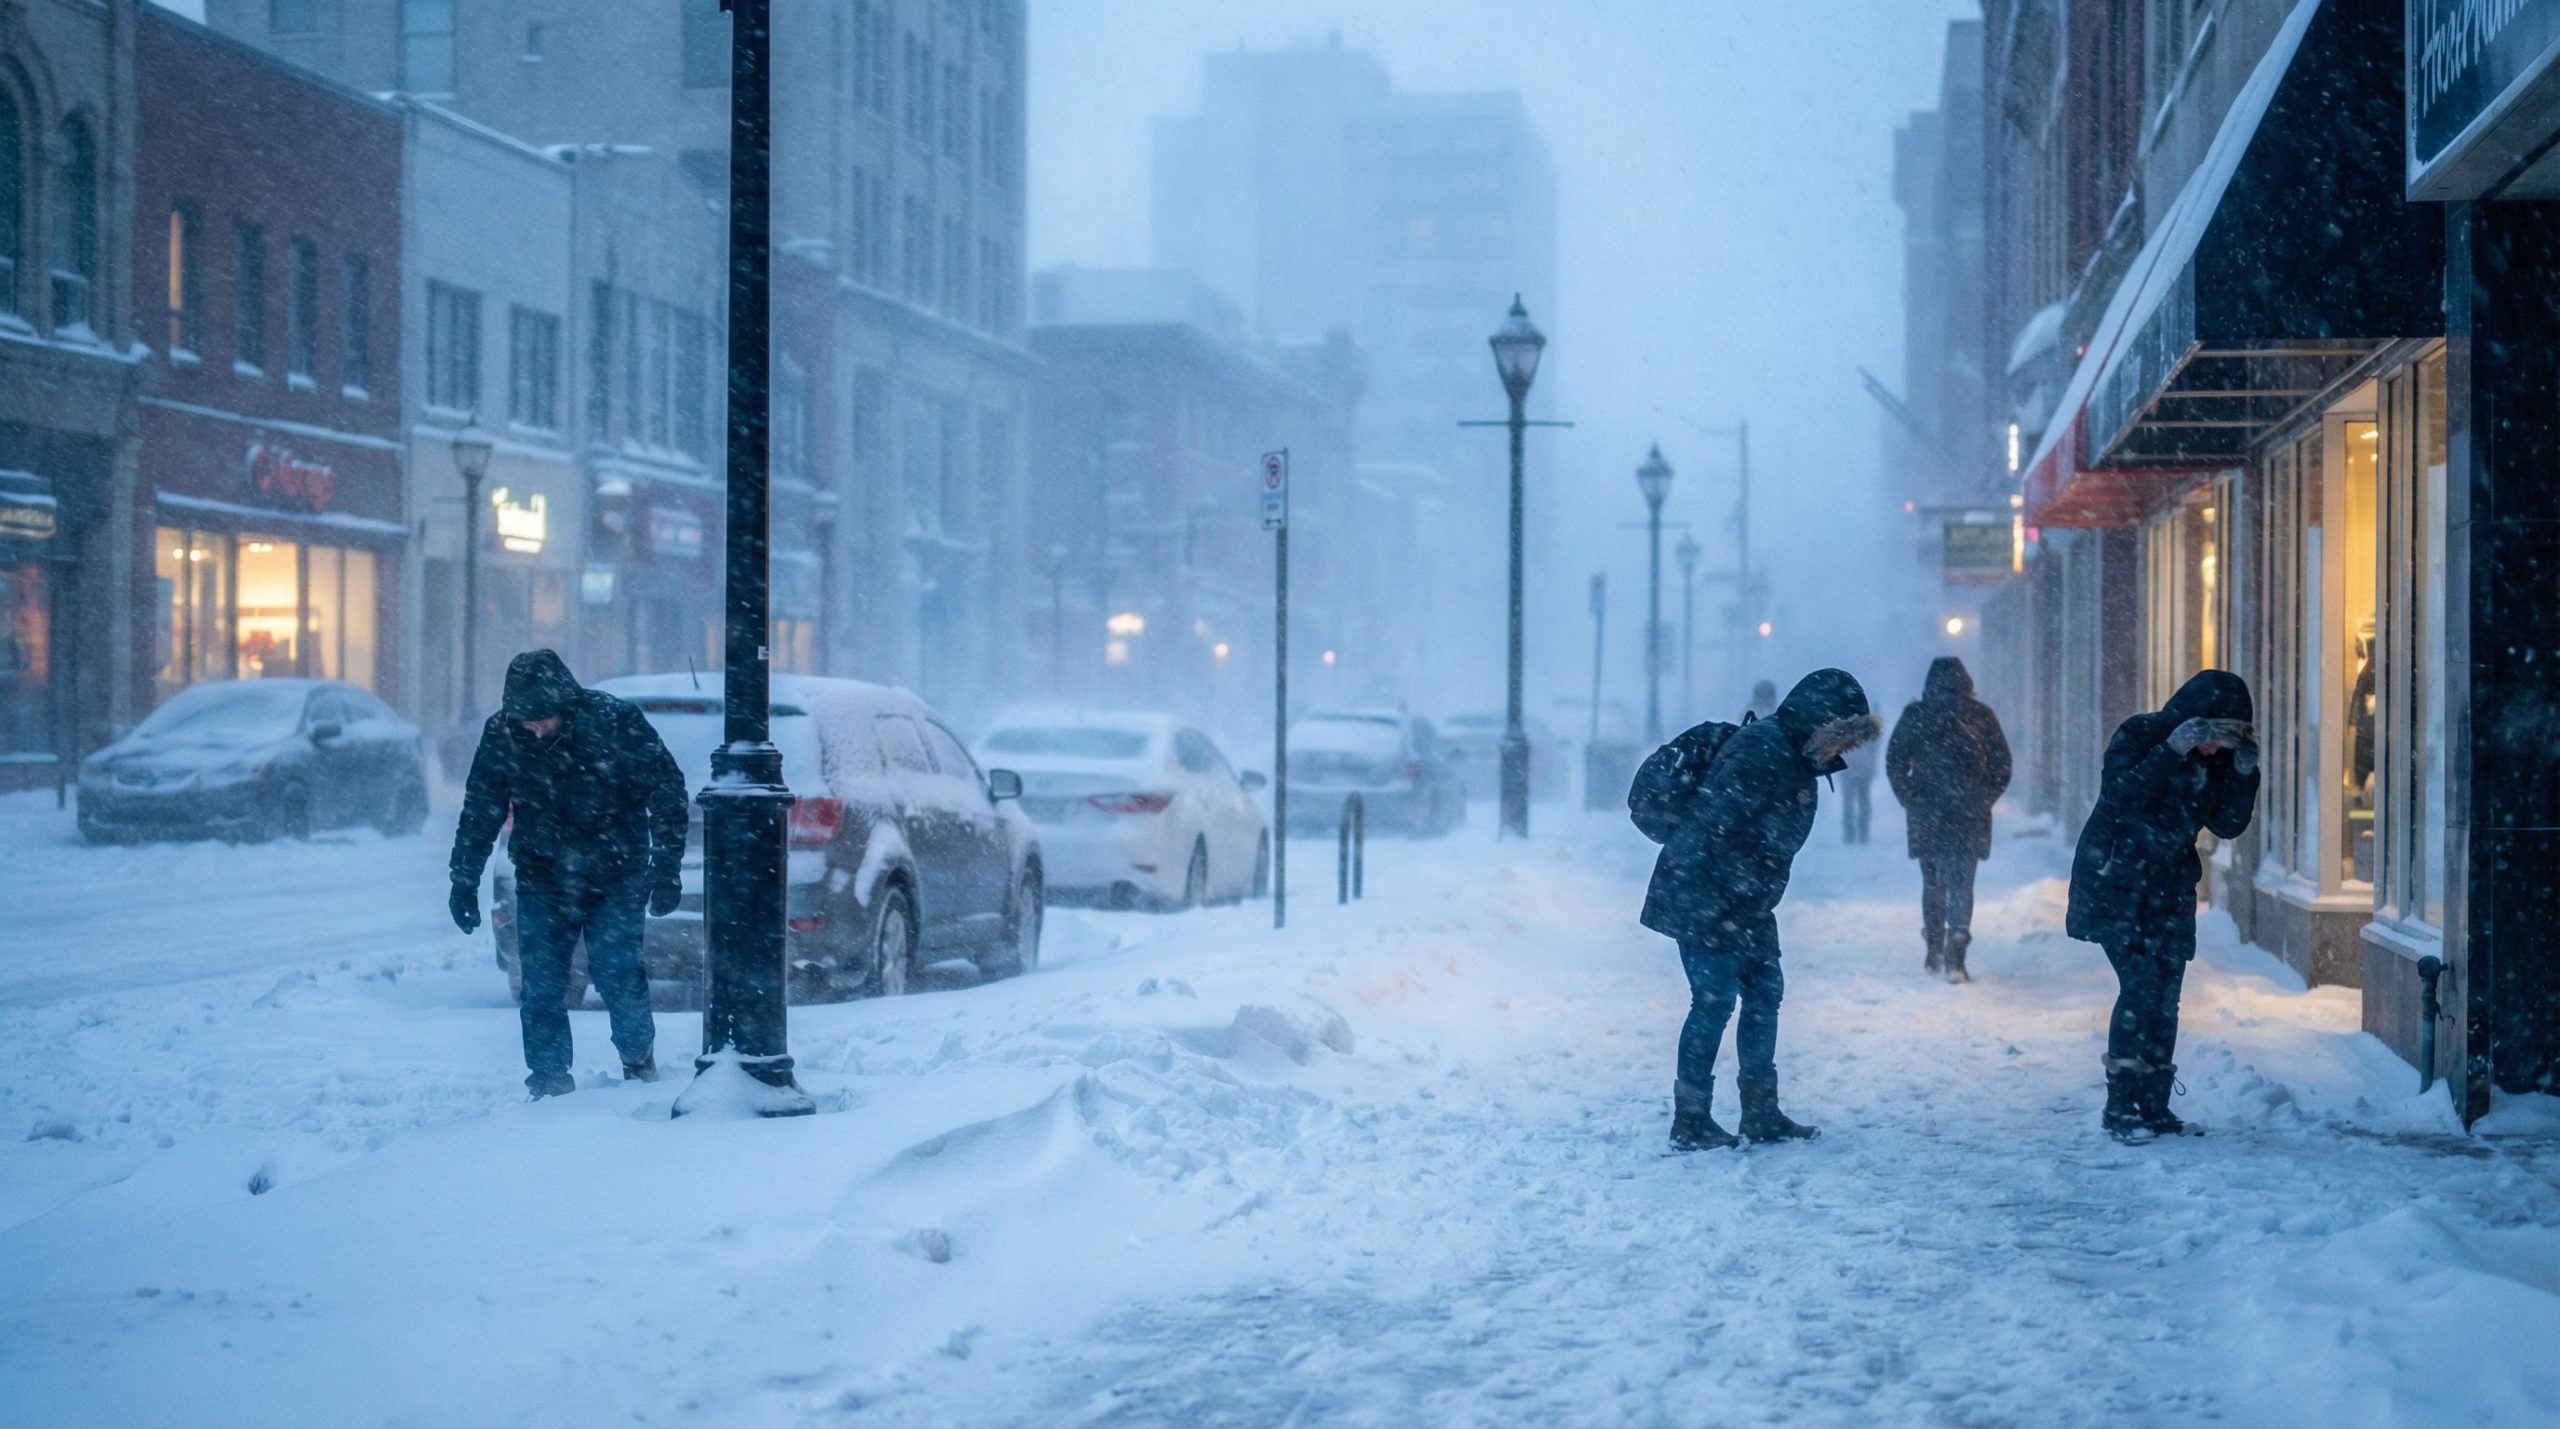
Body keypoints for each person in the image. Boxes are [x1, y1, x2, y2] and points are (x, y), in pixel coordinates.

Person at [1639, 668, 1880, 1150]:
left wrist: (1753, 891)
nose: (1846, 753)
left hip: (1745, 900)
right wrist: (1738, 891)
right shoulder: (1765, 750)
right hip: (1709, 895)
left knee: (1765, 994)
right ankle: (1690, 1120)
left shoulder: (1794, 755)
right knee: (1713, 1001)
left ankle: (1760, 1111)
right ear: (1822, 724)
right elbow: (1717, 824)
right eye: (1843, 738)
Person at [449, 650, 690, 1099]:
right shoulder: (502, 733)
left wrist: (666, 868)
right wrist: (463, 880)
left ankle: (638, 1063)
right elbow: (481, 809)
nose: (535, 728)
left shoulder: (615, 721)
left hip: (615, 875)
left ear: (566, 704)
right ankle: (548, 1081)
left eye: (544, 719)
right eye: (527, 721)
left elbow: (668, 791)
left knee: (619, 976)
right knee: (541, 986)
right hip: (542, 877)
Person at [2066, 670, 2259, 1142]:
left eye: (2225, 742)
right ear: (2190, 723)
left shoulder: (2215, 763)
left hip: (2169, 889)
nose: (2214, 750)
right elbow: (2119, 797)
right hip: (2115, 882)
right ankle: (2120, 1107)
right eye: (2209, 737)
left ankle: (2153, 1105)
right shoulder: (2140, 734)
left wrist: (2243, 774)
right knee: (2140, 989)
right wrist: (2170, 751)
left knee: (2165, 996)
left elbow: (2228, 825)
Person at [1884, 656, 2012, 980]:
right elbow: (2002, 764)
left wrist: (1910, 798)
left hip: (1927, 812)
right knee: (1962, 882)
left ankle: (1934, 946)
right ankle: (1957, 945)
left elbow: (1895, 759)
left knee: (1933, 881)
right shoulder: (1980, 716)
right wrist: (1984, 798)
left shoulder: (1916, 715)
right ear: (1966, 683)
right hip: (1969, 812)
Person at [1839, 737, 1878, 845]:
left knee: (1850, 802)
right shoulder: (1868, 728)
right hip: (1862, 768)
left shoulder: (1845, 727)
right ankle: (1861, 832)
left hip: (1849, 768)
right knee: (1861, 802)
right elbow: (1874, 748)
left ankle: (1851, 833)